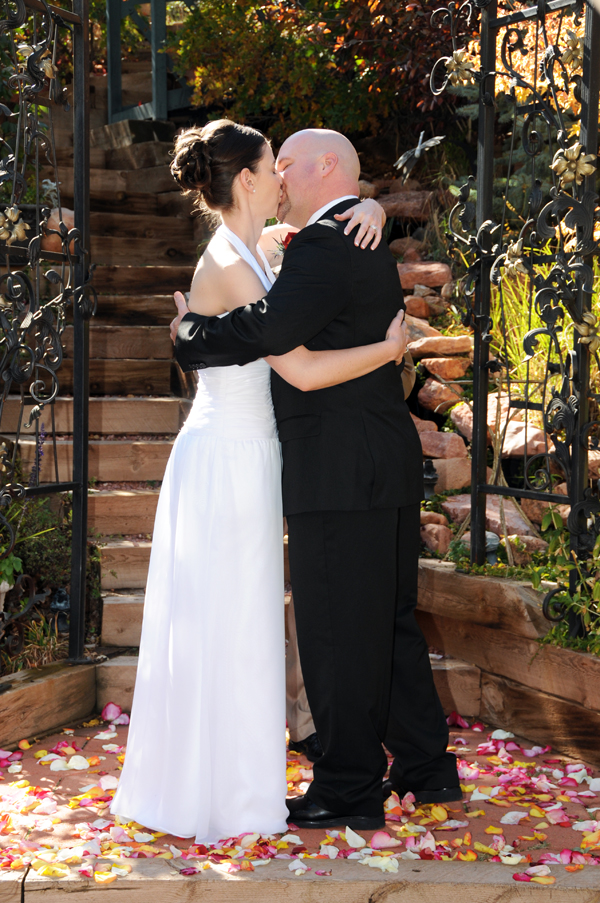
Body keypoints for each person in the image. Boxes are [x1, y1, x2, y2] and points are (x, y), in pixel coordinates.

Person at [111, 119, 407, 844]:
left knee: (243, 622)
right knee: (227, 623)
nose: (283, 176)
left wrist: (371, 205)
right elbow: (299, 368)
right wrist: (388, 348)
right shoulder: (233, 261)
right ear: (246, 179)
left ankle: (240, 786)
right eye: (275, 164)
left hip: (251, 457)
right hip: (225, 459)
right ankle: (215, 792)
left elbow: (319, 234)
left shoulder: (261, 248)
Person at [172, 127, 461, 831]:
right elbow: (284, 279)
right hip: (378, 464)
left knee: (335, 633)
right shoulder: (346, 236)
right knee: (389, 625)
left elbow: (275, 327)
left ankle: (347, 786)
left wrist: (190, 339)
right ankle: (426, 768)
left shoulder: (330, 244)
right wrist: (375, 206)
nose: (279, 179)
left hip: (337, 470)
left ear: (325, 167)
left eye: (289, 165)